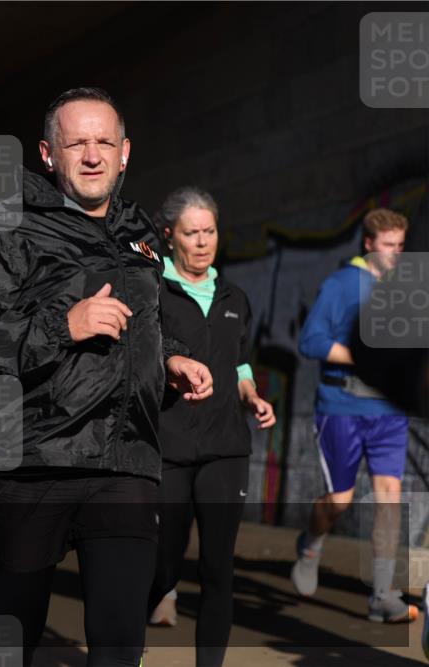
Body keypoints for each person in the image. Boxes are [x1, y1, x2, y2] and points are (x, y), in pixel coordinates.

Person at [0, 87, 213, 667]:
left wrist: (172, 358)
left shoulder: (139, 236)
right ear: (47, 153)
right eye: (77, 142)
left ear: (125, 152)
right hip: (30, 463)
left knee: (119, 646)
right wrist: (64, 325)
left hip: (126, 460)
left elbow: (148, 320)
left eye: (104, 142)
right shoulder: (5, 227)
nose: (92, 155)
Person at [145, 187, 276, 666]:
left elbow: (239, 363)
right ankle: (123, 652)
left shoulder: (234, 296)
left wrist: (252, 395)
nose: (203, 242)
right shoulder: (151, 288)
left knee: (219, 568)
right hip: (168, 445)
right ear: (168, 236)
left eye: (209, 231)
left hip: (225, 448)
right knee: (163, 569)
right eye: (191, 233)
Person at [292, 207, 417, 623]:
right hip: (341, 407)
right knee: (340, 501)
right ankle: (310, 544)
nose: (397, 255)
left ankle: (382, 594)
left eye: (402, 246)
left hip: (388, 412)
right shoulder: (343, 284)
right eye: (388, 247)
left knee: (388, 498)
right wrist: (365, 361)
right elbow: (310, 341)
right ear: (368, 245)